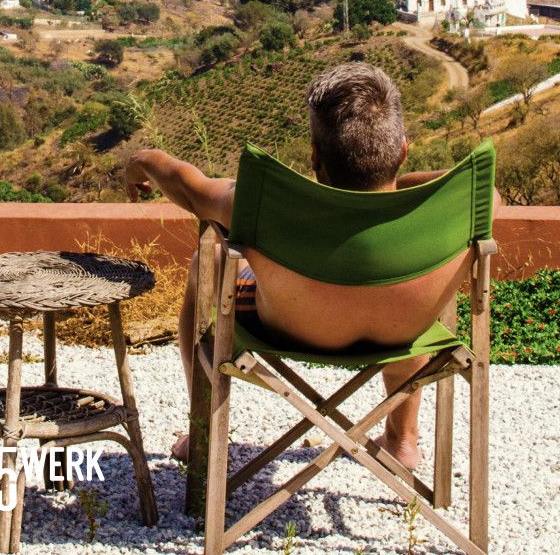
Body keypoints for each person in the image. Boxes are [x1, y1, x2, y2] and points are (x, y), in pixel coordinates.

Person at [125, 61, 497, 471]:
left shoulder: (267, 203)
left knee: (207, 260)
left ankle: (204, 432)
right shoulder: (465, 201)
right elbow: (491, 194)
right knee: (409, 282)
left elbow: (186, 186)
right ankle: (402, 440)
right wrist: (402, 191)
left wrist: (144, 159)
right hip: (406, 325)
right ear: (403, 149)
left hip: (292, 324)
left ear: (316, 155)